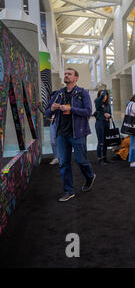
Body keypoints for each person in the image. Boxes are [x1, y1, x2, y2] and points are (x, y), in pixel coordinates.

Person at [45, 68, 96, 202]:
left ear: (76, 78)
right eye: (65, 74)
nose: (66, 76)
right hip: (62, 134)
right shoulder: (59, 94)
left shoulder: (82, 93)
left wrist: (70, 108)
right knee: (63, 163)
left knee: (80, 160)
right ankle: (69, 191)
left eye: (69, 74)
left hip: (78, 133)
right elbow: (47, 113)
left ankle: (90, 176)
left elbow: (88, 111)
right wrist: (52, 108)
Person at [39, 90, 59, 165]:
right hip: (53, 123)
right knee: (53, 141)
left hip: (60, 123)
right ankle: (56, 157)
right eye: (51, 98)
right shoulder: (50, 105)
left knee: (61, 140)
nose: (52, 100)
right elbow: (47, 114)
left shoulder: (60, 103)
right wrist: (50, 118)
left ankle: (62, 157)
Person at [94, 89, 112, 165]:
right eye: (103, 95)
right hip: (99, 123)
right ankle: (99, 159)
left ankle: (104, 158)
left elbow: (110, 114)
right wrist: (104, 92)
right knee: (101, 142)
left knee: (105, 142)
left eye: (105, 95)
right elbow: (99, 99)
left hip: (106, 123)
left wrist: (109, 115)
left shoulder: (107, 105)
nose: (104, 97)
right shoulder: (97, 102)